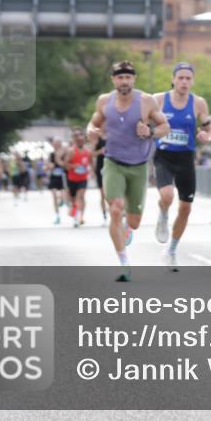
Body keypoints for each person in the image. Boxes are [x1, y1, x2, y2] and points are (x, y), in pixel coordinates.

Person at [86, 60, 170, 282]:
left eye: (128, 77)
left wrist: (149, 131)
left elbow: (165, 127)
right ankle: (124, 263)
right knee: (115, 208)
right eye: (120, 77)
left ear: (134, 79)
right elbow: (93, 123)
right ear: (113, 80)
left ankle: (127, 227)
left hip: (139, 166)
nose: (124, 81)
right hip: (113, 162)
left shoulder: (147, 101)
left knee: (134, 222)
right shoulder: (105, 101)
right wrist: (91, 131)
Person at [153, 62, 211, 270]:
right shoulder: (158, 100)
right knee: (167, 196)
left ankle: (171, 249)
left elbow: (209, 128)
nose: (184, 82)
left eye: (188, 78)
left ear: (193, 81)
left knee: (186, 208)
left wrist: (207, 136)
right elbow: (143, 120)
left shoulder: (198, 103)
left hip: (186, 158)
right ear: (173, 80)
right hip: (163, 155)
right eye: (180, 78)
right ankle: (163, 215)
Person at [64, 129, 92, 227]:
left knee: (79, 197)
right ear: (76, 141)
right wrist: (73, 166)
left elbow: (91, 162)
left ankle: (80, 217)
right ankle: (76, 213)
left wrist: (92, 171)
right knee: (73, 200)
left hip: (83, 178)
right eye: (78, 140)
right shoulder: (71, 151)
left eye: (82, 140)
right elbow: (65, 164)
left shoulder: (87, 151)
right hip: (72, 179)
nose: (81, 142)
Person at [48, 138, 68, 224]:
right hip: (54, 177)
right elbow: (48, 164)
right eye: (55, 143)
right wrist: (49, 166)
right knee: (54, 197)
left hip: (63, 177)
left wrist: (59, 160)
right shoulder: (51, 154)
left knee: (63, 196)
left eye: (58, 143)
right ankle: (57, 216)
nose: (56, 145)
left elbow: (66, 164)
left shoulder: (65, 153)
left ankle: (62, 200)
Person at [91, 133, 108, 225]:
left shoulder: (115, 137)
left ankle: (117, 212)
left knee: (113, 194)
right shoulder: (97, 141)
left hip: (113, 169)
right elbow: (91, 154)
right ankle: (104, 216)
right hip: (100, 170)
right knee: (103, 194)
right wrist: (100, 151)